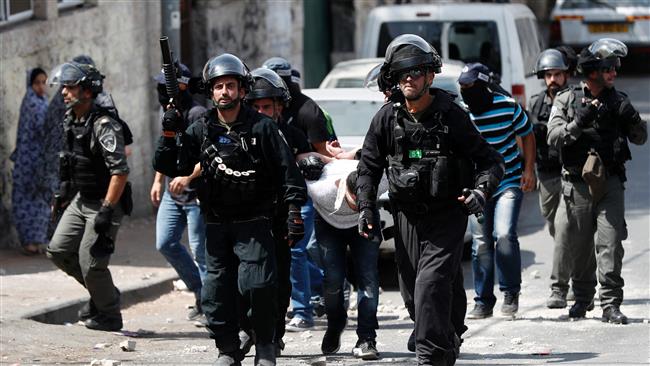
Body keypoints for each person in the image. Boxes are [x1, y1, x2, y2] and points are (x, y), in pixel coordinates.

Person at [356, 34, 505, 366]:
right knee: (414, 295)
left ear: (430, 76)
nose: (409, 78)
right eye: (403, 73)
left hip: (448, 214)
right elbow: (368, 168)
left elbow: (492, 161)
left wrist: (480, 191)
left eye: (417, 72)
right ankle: (447, 334)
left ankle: (431, 357)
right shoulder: (386, 118)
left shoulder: (451, 116)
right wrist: (366, 207)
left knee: (429, 287)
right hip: (406, 216)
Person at [153, 53, 307, 366]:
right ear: (211, 92)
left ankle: (265, 345)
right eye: (219, 86)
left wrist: (293, 213)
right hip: (216, 223)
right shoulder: (200, 129)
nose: (225, 91)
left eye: (231, 85)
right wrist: (169, 134)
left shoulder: (262, 128)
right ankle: (227, 349)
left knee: (259, 287)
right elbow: (173, 165)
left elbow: (286, 171)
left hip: (255, 222)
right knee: (215, 294)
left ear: (241, 89)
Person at [548, 38, 647, 324]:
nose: (615, 73)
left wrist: (633, 119)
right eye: (609, 68)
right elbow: (553, 138)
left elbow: (640, 139)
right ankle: (582, 297)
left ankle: (611, 303)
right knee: (579, 246)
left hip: (610, 182)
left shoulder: (619, 100)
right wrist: (577, 123)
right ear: (592, 71)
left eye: (616, 68)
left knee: (611, 244)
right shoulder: (566, 100)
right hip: (577, 184)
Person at [46, 61, 131, 332]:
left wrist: (107, 210)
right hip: (82, 199)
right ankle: (103, 295)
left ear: (87, 91)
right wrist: (62, 195)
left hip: (105, 202)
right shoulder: (73, 121)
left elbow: (120, 172)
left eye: (70, 87)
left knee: (91, 262)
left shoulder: (104, 125)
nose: (63, 93)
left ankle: (110, 314)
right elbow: (72, 162)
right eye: (64, 87)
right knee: (58, 250)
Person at [239, 67, 314, 357]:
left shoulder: (292, 135)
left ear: (279, 107)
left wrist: (295, 213)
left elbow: (306, 170)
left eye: (266, 107)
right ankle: (249, 330)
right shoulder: (240, 134)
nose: (261, 111)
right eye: (255, 106)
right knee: (244, 282)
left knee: (280, 282)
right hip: (247, 218)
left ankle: (272, 336)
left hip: (281, 217)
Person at [458, 62, 536, 320]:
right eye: (463, 87)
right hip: (476, 188)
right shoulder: (462, 113)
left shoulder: (507, 106)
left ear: (483, 85)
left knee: (503, 234)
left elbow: (527, 133)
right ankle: (483, 301)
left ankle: (510, 292)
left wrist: (528, 169)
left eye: (471, 86)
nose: (466, 91)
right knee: (480, 243)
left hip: (508, 182)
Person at [262, 56, 330, 332]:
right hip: (264, 202)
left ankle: (303, 311)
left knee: (298, 252)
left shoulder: (305, 114)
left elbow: (319, 154)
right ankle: (326, 283)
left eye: (270, 104)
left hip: (298, 196)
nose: (264, 109)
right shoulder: (254, 126)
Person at [309, 159, 384, 361]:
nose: (358, 206)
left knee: (369, 278)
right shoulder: (321, 189)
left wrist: (366, 209)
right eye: (355, 203)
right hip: (328, 222)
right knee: (333, 279)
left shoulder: (380, 180)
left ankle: (367, 337)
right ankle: (335, 323)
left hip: (366, 223)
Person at [150, 63, 207, 321]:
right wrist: (157, 180)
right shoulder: (168, 112)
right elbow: (167, 150)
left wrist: (188, 176)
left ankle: (212, 305)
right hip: (173, 193)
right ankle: (200, 291)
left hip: (197, 194)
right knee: (165, 242)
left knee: (202, 253)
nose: (161, 92)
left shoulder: (197, 114)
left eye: (166, 86)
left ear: (181, 86)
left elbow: (209, 158)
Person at [529, 48, 581, 309]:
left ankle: (559, 288)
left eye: (557, 74)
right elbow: (526, 139)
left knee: (563, 229)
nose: (552, 80)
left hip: (571, 174)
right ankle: (574, 272)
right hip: (546, 174)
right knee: (554, 227)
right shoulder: (536, 103)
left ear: (566, 75)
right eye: (548, 75)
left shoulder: (575, 99)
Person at [11, 67, 50, 255]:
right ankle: (31, 242)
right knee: (32, 199)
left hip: (26, 159)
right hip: (33, 160)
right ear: (30, 84)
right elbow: (45, 130)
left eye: (44, 82)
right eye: (37, 83)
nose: (42, 87)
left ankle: (33, 241)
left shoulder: (32, 100)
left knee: (31, 200)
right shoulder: (36, 104)